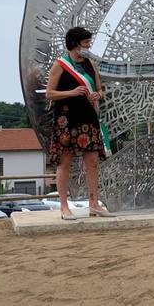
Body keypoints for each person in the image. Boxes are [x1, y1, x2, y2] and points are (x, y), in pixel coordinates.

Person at [45, 26, 114, 220]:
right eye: (86, 43)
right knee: (65, 162)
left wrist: (96, 95)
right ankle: (64, 207)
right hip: (66, 120)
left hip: (88, 118)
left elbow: (100, 90)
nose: (89, 46)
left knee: (92, 161)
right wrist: (72, 92)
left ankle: (94, 203)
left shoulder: (90, 64)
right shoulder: (60, 65)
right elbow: (50, 93)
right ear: (75, 44)